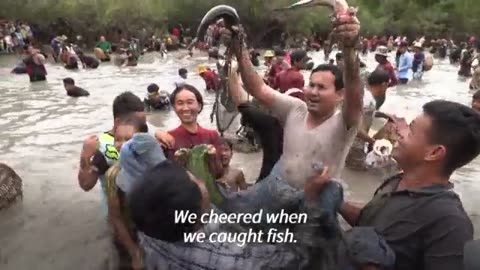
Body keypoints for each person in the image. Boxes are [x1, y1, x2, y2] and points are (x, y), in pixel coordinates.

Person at [130, 160, 394, 270]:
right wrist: (311, 200)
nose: (200, 180)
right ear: (197, 209)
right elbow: (298, 256)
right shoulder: (234, 259)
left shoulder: (150, 223)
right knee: (360, 237)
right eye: (195, 181)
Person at [341, 100, 480, 270]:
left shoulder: (449, 222)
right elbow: (370, 221)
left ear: (434, 153)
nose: (400, 131)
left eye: (411, 130)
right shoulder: (397, 181)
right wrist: (337, 201)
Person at [228, 14, 363, 188]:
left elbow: (354, 90)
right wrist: (239, 47)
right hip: (281, 195)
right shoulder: (295, 109)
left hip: (316, 206)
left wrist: (349, 47)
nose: (313, 92)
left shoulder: (344, 123)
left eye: (321, 87)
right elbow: (259, 90)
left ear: (340, 94)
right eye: (311, 85)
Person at [228, 67, 304, 183]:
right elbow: (243, 104)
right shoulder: (272, 125)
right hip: (287, 184)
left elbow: (241, 103)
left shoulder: (271, 125)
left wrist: (232, 73)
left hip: (269, 183)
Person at [77, 92, 147, 213]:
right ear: (118, 122)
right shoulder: (104, 148)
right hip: (117, 215)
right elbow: (86, 185)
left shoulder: (141, 133)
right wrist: (85, 158)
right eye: (139, 121)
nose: (143, 125)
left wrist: (159, 133)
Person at [105, 114, 149, 270]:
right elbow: (115, 217)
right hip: (128, 235)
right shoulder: (113, 175)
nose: (122, 145)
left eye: (129, 139)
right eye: (118, 139)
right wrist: (134, 252)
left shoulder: (156, 166)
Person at [156, 84, 223, 178]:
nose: (185, 108)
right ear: (174, 108)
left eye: (190, 102)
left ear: (199, 106)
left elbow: (219, 173)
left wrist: (211, 158)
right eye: (180, 103)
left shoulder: (212, 135)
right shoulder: (167, 139)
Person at [345, 69, 391, 170]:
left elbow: (359, 115)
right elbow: (356, 127)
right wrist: (374, 143)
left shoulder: (364, 94)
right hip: (354, 143)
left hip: (346, 140)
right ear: (384, 84)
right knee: (360, 172)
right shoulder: (369, 101)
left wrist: (383, 114)